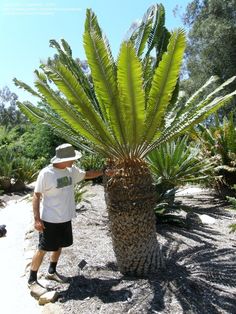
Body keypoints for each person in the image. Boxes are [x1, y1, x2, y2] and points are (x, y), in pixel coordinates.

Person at [27, 143, 103, 296]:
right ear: (63, 159)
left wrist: (104, 172)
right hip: (50, 219)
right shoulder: (46, 173)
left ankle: (51, 271)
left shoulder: (70, 170)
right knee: (42, 249)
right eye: (72, 159)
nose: (74, 161)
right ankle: (32, 279)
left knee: (59, 245)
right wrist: (37, 219)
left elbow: (87, 174)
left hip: (65, 218)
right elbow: (36, 196)